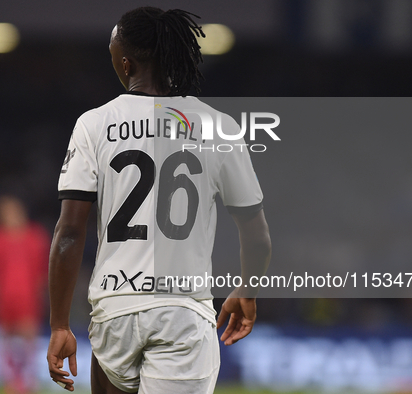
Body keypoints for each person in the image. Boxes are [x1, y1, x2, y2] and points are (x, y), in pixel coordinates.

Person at [47, 6, 271, 394]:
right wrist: (246, 291)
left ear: (126, 62)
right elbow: (256, 235)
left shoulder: (93, 124)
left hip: (114, 310)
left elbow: (69, 232)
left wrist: (59, 325)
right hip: (182, 312)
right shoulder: (220, 127)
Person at [0, 195, 50, 394]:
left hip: (27, 296)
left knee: (29, 339)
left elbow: (43, 270)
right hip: (3, 297)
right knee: (5, 340)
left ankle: (29, 380)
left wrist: (43, 294)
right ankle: (11, 381)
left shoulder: (35, 236)